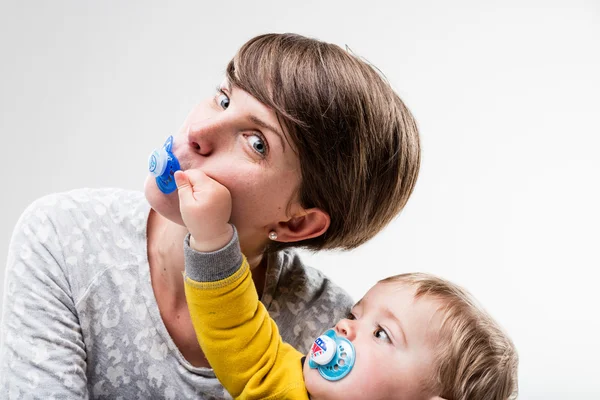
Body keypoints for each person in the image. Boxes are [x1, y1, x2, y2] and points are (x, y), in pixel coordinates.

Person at [0, 33, 420, 398]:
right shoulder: (62, 238)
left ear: (296, 223)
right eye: (223, 99)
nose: (197, 133)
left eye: (256, 143)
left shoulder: (333, 343)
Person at [177, 166, 518, 399]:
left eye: (381, 333)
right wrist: (212, 239)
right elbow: (234, 328)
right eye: (355, 316)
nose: (343, 326)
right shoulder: (285, 386)